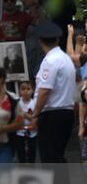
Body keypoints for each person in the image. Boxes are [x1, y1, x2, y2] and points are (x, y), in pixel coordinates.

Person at [29, 21, 76, 164]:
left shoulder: (50, 61)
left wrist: (35, 115)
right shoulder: (65, 59)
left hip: (52, 115)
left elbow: (44, 91)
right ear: (57, 39)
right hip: (66, 113)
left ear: (39, 41)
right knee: (57, 157)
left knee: (50, 159)